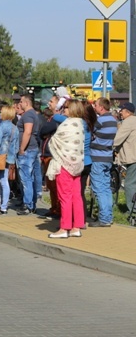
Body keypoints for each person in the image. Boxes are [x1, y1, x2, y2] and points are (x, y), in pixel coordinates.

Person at [46, 99, 85, 238]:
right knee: (76, 196)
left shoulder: (67, 123)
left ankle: (64, 228)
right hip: (77, 163)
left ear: (72, 109)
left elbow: (54, 141)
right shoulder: (80, 124)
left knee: (64, 196)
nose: (64, 110)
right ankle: (76, 227)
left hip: (64, 164)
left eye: (66, 107)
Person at [89, 97, 118, 227]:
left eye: (95, 105)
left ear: (101, 107)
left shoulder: (99, 121)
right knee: (106, 189)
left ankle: (104, 219)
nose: (94, 107)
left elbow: (90, 133)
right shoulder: (113, 120)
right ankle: (108, 216)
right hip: (107, 157)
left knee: (99, 189)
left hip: (97, 158)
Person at [16, 94, 42, 215]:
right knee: (31, 178)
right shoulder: (33, 114)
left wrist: (22, 148)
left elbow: (27, 131)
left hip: (27, 150)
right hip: (32, 148)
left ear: (26, 103)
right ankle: (31, 203)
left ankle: (28, 205)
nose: (19, 104)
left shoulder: (28, 115)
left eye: (21, 102)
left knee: (26, 179)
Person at [113, 102, 136, 214]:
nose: (120, 112)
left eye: (121, 110)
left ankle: (132, 210)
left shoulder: (128, 122)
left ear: (127, 111)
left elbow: (117, 139)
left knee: (129, 184)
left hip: (133, 158)